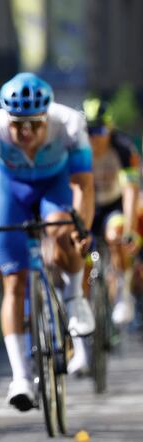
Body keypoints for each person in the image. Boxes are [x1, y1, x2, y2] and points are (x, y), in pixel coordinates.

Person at [0, 73, 94, 411]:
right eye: (18, 126)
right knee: (14, 283)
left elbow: (83, 185)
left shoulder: (69, 123)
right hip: (13, 192)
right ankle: (21, 377)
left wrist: (81, 228)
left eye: (34, 126)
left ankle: (74, 297)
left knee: (60, 229)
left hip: (55, 187)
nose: (26, 134)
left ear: (47, 118)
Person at [82, 98, 141, 326]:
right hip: (88, 206)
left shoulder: (124, 149)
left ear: (110, 128)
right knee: (81, 254)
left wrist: (130, 230)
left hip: (113, 205)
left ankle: (123, 295)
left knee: (116, 235)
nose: (93, 136)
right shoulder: (78, 149)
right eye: (88, 130)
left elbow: (131, 191)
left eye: (99, 129)